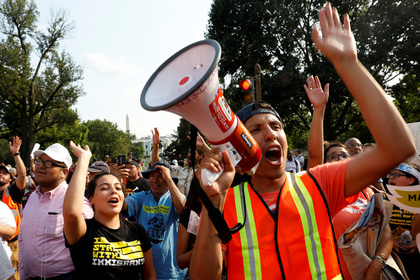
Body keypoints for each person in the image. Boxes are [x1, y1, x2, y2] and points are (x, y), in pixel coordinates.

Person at [189, 3, 415, 279]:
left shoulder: (319, 183)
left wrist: (348, 64)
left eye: (276, 126)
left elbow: (398, 147)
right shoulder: (224, 202)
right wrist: (213, 204)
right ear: (240, 146)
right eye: (256, 130)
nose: (270, 133)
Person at [63, 142, 156, 280]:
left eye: (118, 188)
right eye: (104, 188)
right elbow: (71, 212)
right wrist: (84, 159)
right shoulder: (84, 231)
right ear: (91, 199)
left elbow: (149, 275)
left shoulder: (137, 230)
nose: (113, 191)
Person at [19, 143, 94, 280]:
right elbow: (23, 239)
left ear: (64, 173)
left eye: (49, 163)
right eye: (39, 161)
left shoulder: (77, 203)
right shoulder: (30, 198)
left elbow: (87, 247)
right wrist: (23, 273)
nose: (41, 166)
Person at [122, 161, 186, 280]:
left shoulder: (176, 198)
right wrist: (119, 184)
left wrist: (169, 180)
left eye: (160, 176)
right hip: (146, 269)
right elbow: (122, 206)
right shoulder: (142, 197)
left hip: (172, 271)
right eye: (152, 175)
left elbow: (183, 210)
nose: (154, 180)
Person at [386, 162, 420, 279]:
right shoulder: (385, 200)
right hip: (393, 260)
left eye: (396, 175)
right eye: (390, 175)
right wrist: (390, 242)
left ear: (411, 180)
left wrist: (417, 243)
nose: (390, 177)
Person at [151, 127, 208, 196]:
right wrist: (156, 145)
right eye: (189, 152)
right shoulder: (179, 170)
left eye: (193, 153)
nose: (190, 155)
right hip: (179, 205)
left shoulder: (204, 171)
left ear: (201, 156)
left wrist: (204, 146)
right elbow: (156, 165)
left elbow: (220, 160)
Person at [1, 137, 26, 280]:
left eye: (4, 173)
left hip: (11, 245)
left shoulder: (13, 192)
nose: (1, 174)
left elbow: (22, 176)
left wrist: (16, 154)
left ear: (10, 178)